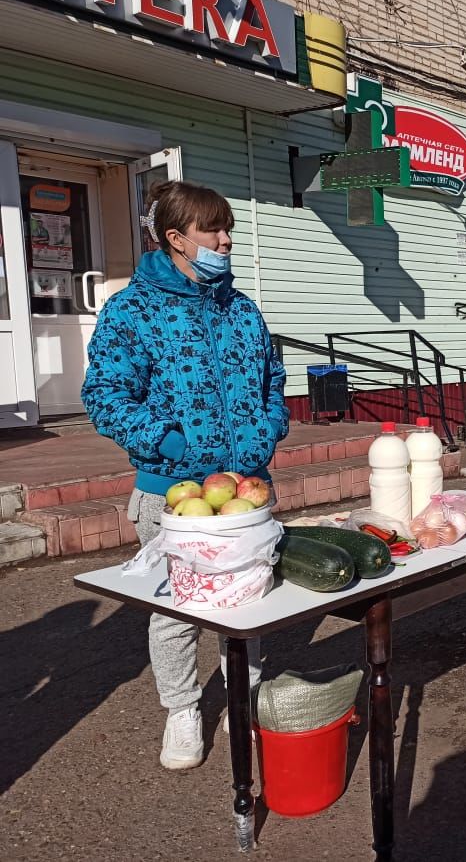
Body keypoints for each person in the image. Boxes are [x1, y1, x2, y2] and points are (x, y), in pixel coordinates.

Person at [81, 181, 290, 767]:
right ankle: (182, 709)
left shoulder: (242, 309)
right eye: (212, 230)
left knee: (249, 597)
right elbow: (106, 396)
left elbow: (273, 380)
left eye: (228, 228)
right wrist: (173, 443)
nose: (226, 239)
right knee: (178, 608)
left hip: (248, 488)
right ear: (176, 238)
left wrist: (268, 428)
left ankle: (245, 695)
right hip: (173, 493)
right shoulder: (133, 309)